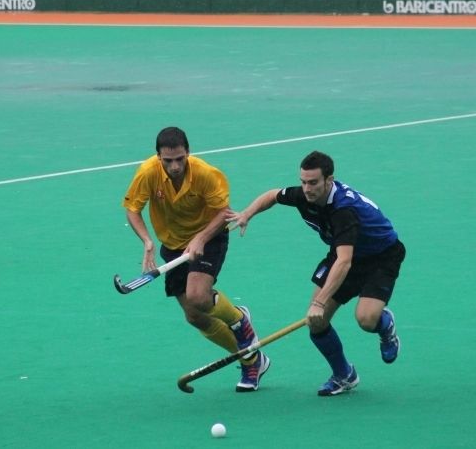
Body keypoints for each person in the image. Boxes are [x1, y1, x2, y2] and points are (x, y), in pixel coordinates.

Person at [226, 150, 404, 396]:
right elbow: (273, 195)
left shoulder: (344, 210)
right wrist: (247, 213)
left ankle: (385, 325)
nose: (307, 188)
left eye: (313, 183)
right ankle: (344, 375)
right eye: (303, 182)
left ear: (329, 181)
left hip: (380, 257)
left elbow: (344, 262)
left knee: (366, 319)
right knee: (317, 323)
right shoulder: (304, 195)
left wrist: (319, 302)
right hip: (344, 252)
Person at [122, 127, 270, 392]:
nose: (175, 166)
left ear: (188, 153)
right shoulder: (147, 173)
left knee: (198, 296)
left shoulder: (205, 174)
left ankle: (239, 322)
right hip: (173, 243)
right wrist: (147, 241)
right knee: (195, 316)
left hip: (210, 235)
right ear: (158, 157)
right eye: (168, 161)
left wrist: (201, 238)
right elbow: (133, 209)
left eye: (180, 158)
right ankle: (252, 358)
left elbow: (224, 212)